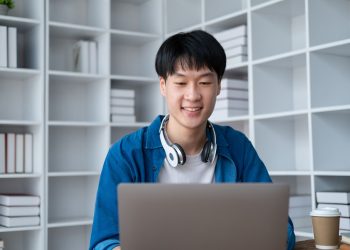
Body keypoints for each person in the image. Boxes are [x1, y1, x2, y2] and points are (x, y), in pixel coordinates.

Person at [89, 30, 296, 250]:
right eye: (181, 83)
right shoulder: (125, 154)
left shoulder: (238, 147)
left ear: (218, 86)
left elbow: (282, 231)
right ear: (163, 86)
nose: (193, 95)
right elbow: (103, 242)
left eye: (205, 83)